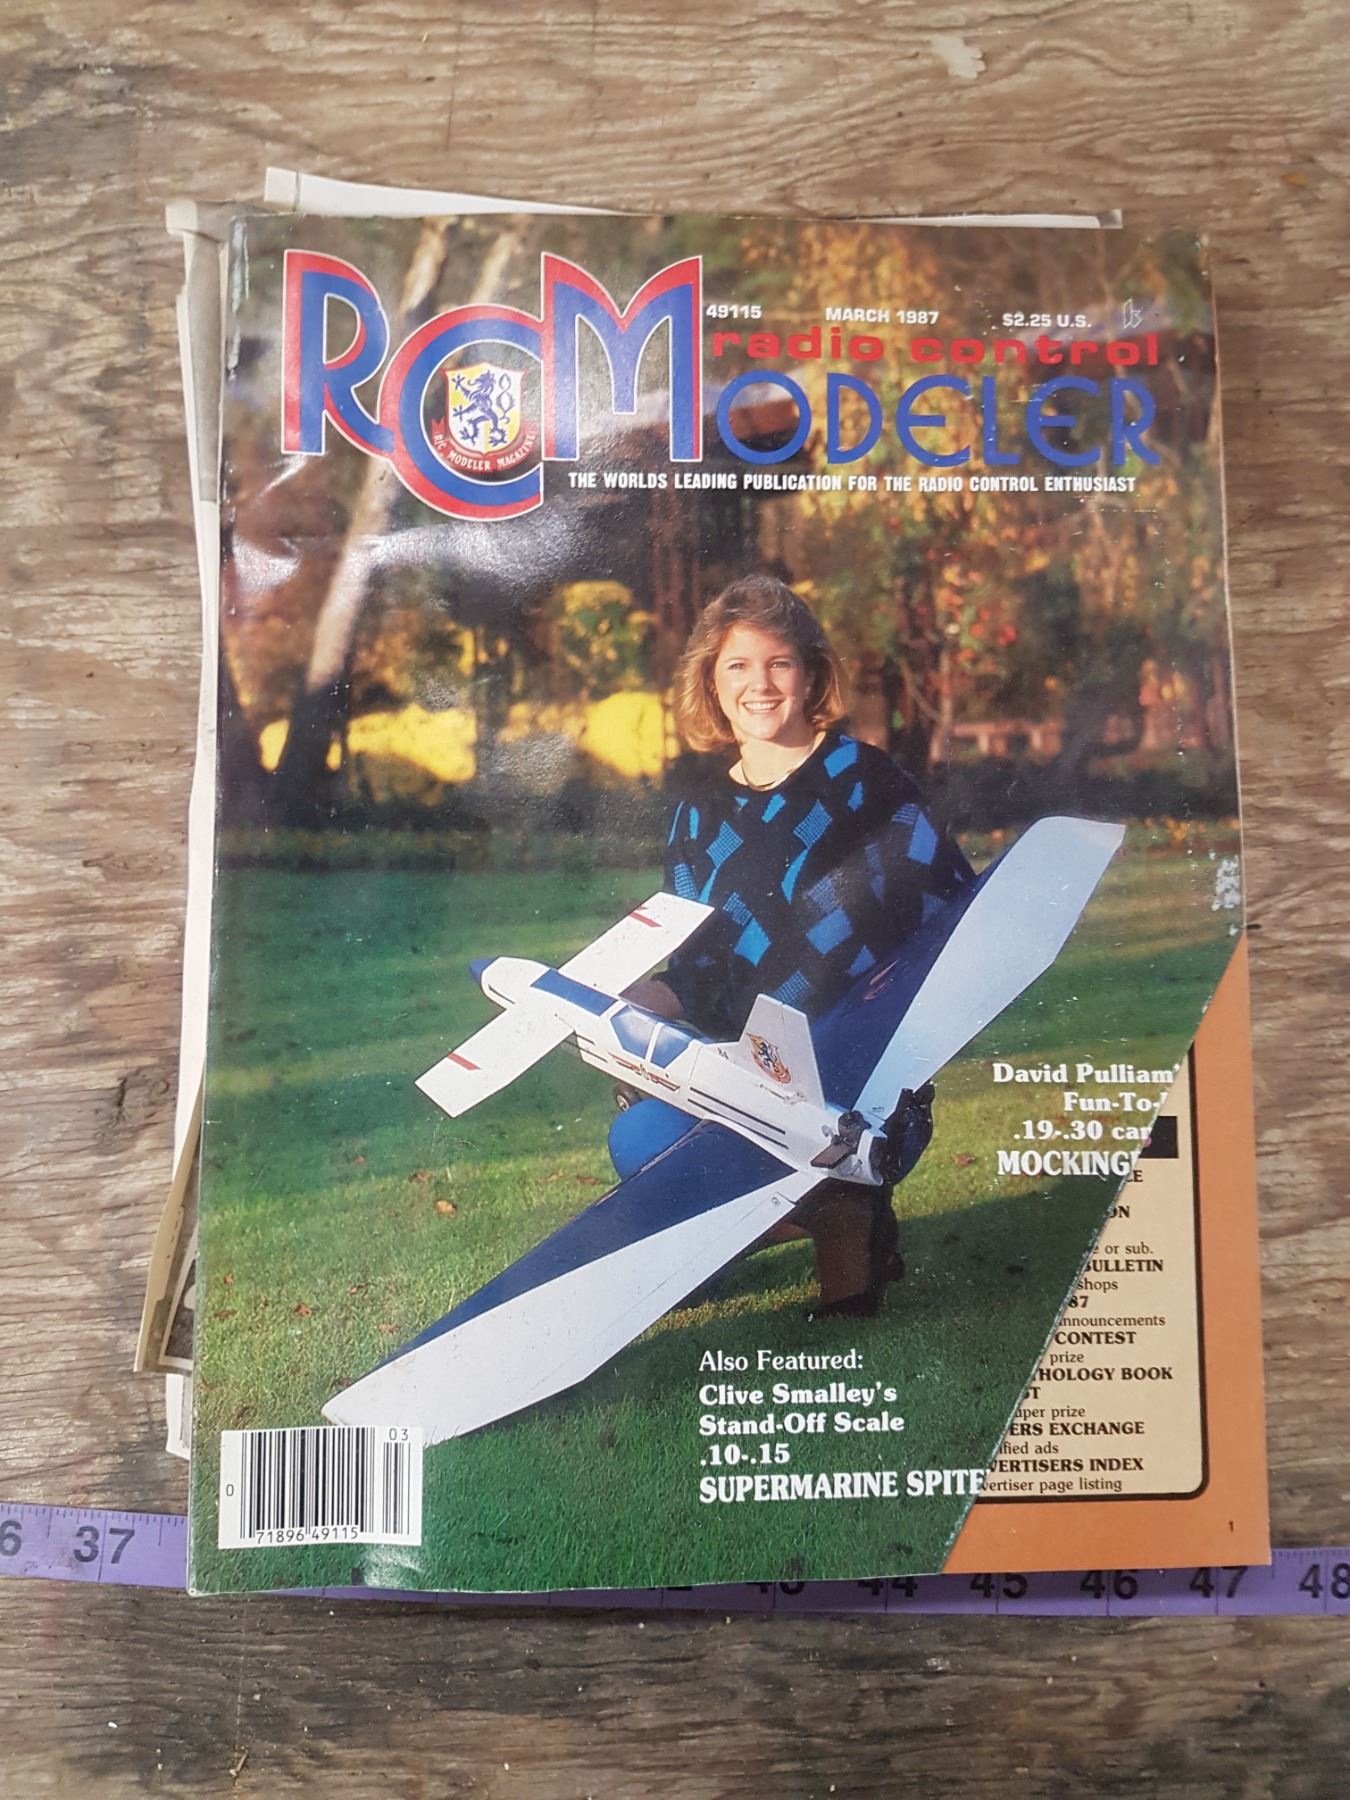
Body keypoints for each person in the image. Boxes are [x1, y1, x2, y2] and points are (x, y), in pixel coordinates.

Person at [621, 573, 974, 1316]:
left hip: (859, 1076)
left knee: (800, 1184)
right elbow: (697, 972)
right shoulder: (696, 815)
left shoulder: (865, 781)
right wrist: (626, 1004)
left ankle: (847, 1215)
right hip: (743, 1077)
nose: (760, 684)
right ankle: (829, 1220)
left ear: (811, 675)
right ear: (711, 683)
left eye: (779, 663)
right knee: (641, 1140)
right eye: (738, 666)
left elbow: (952, 916)